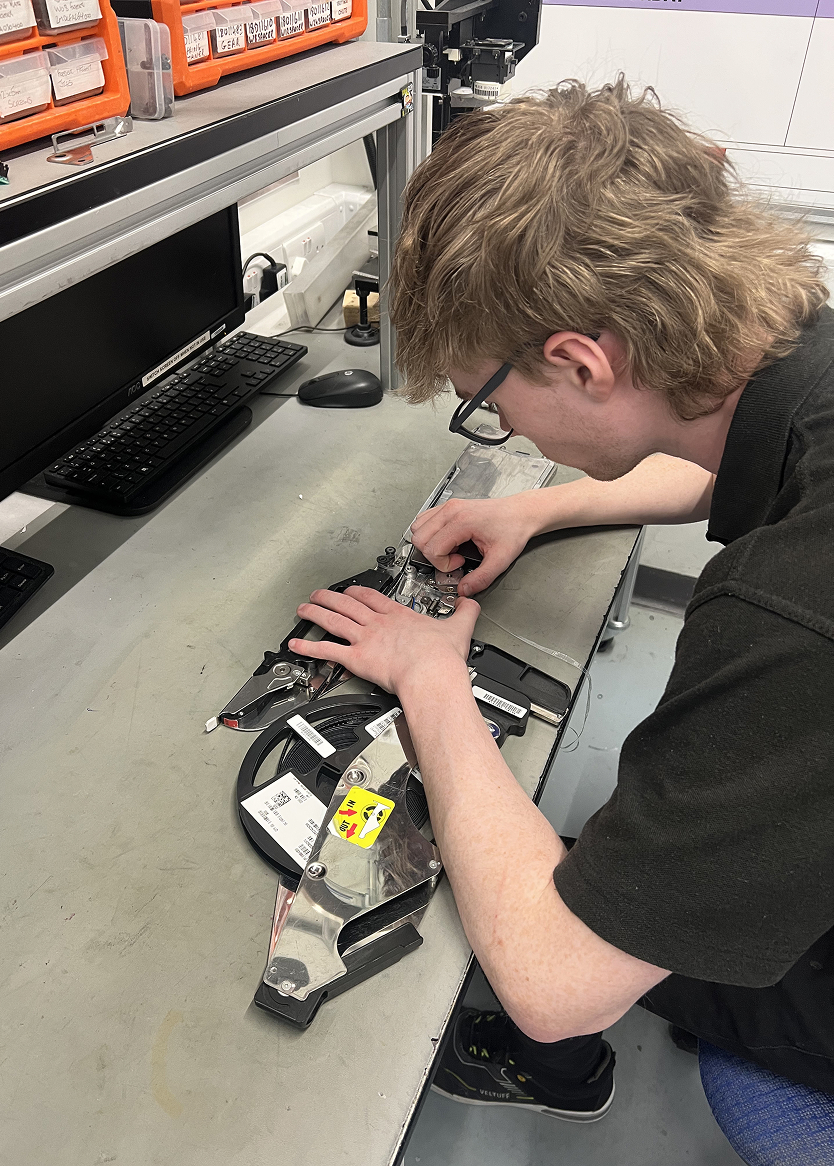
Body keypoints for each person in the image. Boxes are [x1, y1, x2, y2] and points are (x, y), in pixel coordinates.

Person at [288, 78, 834, 1139]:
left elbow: (552, 981)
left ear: (580, 361)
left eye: (485, 404)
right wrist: (544, 508)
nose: (497, 426)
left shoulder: (785, 610)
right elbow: (719, 464)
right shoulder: (798, 353)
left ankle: (561, 1068)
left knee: (550, 900)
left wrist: (430, 674)